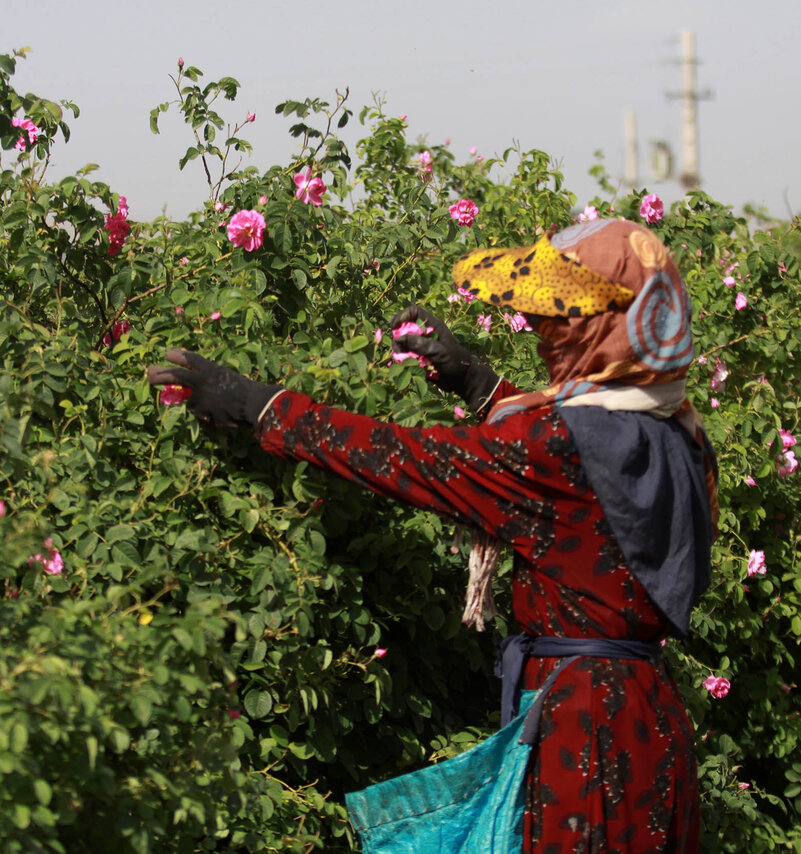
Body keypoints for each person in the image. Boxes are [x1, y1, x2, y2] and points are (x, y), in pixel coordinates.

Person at [147, 218, 717, 853]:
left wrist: (262, 405)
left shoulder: (559, 446)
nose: (536, 329)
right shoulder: (679, 434)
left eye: (559, 319)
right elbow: (563, 459)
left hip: (583, 735)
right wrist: (477, 383)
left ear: (605, 327)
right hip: (650, 722)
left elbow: (412, 460)